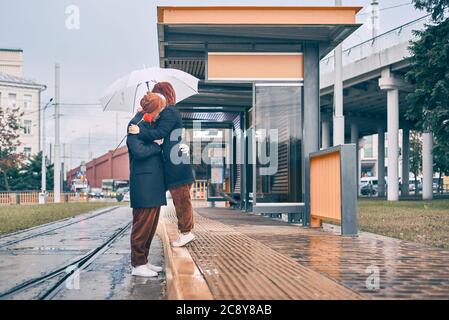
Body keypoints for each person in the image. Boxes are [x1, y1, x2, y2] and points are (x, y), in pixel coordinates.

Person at [129, 82, 195, 247]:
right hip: (175, 160)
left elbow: (160, 132)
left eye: (157, 95)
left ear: (164, 95)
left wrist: (140, 131)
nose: (156, 99)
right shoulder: (167, 112)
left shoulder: (170, 112)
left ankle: (186, 232)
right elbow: (156, 125)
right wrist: (146, 113)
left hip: (177, 162)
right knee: (180, 197)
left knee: (181, 198)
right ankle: (186, 231)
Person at [127, 92, 167, 277]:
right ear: (152, 109)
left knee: (151, 226)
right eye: (159, 109)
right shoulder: (135, 125)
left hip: (152, 183)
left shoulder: (146, 121)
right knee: (142, 226)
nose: (160, 113)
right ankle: (137, 264)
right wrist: (157, 145)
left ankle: (144, 260)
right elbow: (138, 150)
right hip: (144, 183)